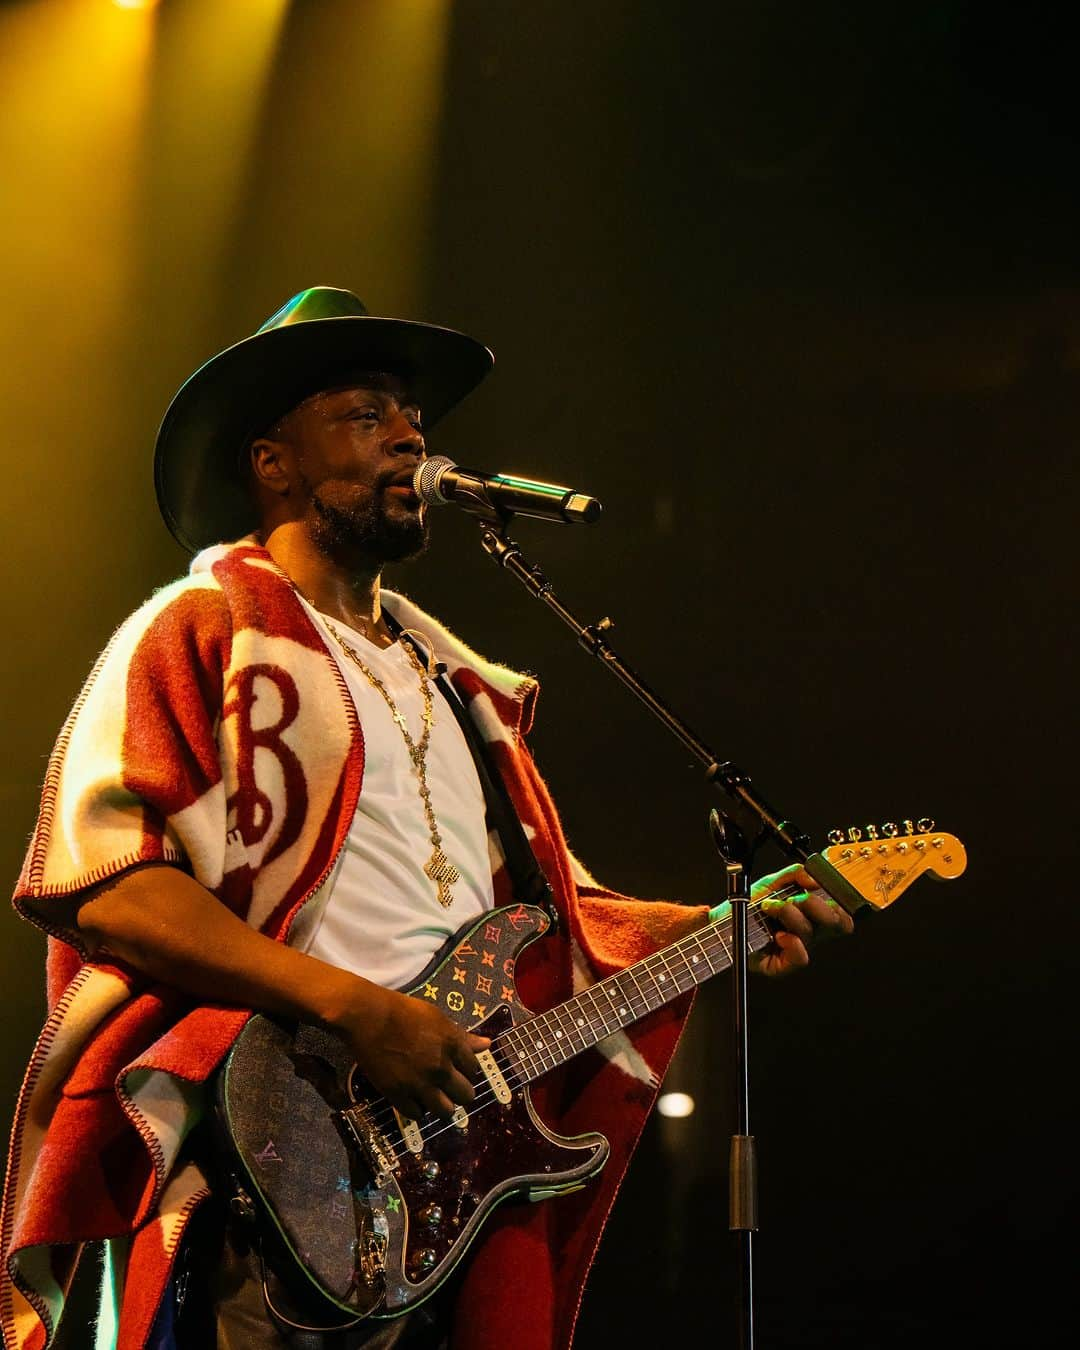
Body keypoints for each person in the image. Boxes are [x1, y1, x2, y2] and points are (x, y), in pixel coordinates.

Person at [0, 288, 851, 1350]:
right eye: (365, 416)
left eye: (413, 419)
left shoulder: (457, 687)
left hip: (446, 1176)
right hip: (266, 1157)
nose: (410, 437)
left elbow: (547, 922)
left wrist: (719, 925)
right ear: (273, 463)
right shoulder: (199, 631)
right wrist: (355, 1008)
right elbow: (108, 886)